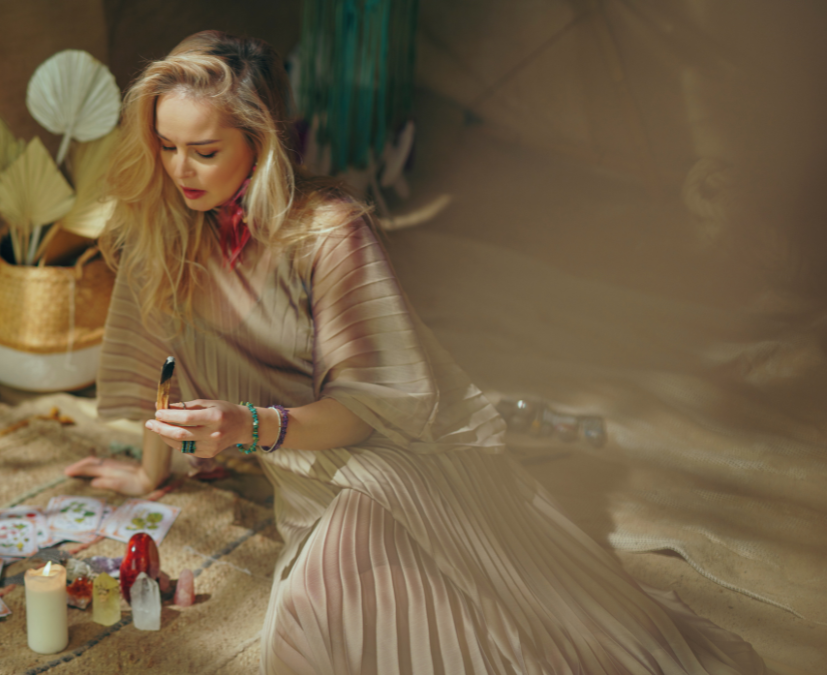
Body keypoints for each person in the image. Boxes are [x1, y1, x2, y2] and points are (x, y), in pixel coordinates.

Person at [65, 30, 766, 675]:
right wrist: (150, 470)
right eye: (166, 144)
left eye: (205, 150)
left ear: (260, 140)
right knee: (331, 614)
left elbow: (367, 410)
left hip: (403, 459)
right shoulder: (162, 226)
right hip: (312, 482)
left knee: (361, 618)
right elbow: (159, 364)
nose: (180, 168)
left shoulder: (331, 233)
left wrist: (248, 426)